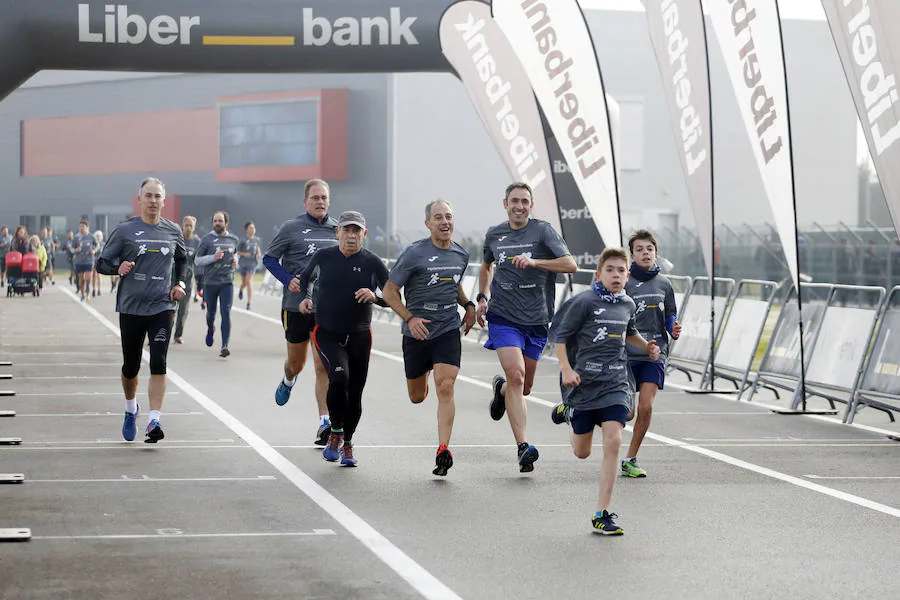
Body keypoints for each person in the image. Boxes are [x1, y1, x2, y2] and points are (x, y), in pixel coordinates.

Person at [549, 247, 661, 535]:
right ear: (599, 274)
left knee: (613, 441)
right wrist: (565, 369)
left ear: (627, 275)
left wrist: (645, 346)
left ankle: (602, 513)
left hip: (615, 384)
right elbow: (559, 336)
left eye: (621, 271)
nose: (616, 275)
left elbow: (630, 333)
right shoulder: (583, 302)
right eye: (610, 270)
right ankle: (571, 412)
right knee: (581, 452)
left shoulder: (627, 304)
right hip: (583, 384)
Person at [475, 182, 577, 472]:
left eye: (525, 202)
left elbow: (570, 265)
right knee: (518, 377)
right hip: (503, 316)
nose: (519, 206)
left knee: (524, 387)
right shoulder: (494, 234)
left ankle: (502, 388)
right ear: (504, 203)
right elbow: (485, 266)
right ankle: (523, 447)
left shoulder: (543, 231)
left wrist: (535, 262)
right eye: (514, 201)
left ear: (531, 206)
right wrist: (483, 297)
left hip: (536, 320)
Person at [383, 200, 476, 476]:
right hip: (416, 332)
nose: (445, 222)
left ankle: (443, 449)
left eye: (449, 216)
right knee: (417, 397)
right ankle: (422, 374)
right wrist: (409, 318)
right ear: (428, 224)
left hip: (447, 329)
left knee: (445, 386)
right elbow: (389, 292)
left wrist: (468, 305)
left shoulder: (461, 254)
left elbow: (454, 284)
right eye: (438, 217)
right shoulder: (413, 253)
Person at [96, 177, 187, 443]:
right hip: (132, 307)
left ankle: (154, 420)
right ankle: (130, 409)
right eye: (148, 196)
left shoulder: (173, 230)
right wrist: (117, 269)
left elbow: (182, 259)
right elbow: (102, 263)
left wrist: (179, 283)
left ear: (164, 200)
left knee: (159, 362)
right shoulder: (125, 230)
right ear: (140, 199)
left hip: (162, 305)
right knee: (131, 367)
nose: (153, 201)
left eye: (158, 196)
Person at [298, 210, 389, 467]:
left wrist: (375, 297)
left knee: (356, 394)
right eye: (346, 230)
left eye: (356, 230)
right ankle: (335, 431)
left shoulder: (373, 262)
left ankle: (347, 442)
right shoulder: (323, 257)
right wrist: (304, 298)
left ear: (364, 234)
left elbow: (393, 296)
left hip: (360, 335)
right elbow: (305, 278)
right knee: (339, 376)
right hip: (327, 332)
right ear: (337, 232)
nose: (351, 235)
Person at [263, 178, 338, 446]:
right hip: (295, 307)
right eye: (315, 198)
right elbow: (269, 259)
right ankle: (288, 379)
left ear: (329, 201)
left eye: (324, 198)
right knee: (297, 364)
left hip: (326, 310)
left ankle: (324, 423)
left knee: (323, 366)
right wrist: (287, 279)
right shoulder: (291, 228)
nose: (320, 202)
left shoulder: (338, 230)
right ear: (305, 201)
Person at [621, 229, 681, 478]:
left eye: (649, 249)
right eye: (640, 250)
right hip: (626, 354)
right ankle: (580, 412)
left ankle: (630, 459)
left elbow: (669, 315)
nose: (645, 253)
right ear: (631, 255)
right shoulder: (624, 282)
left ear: (656, 254)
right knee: (627, 412)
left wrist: (673, 328)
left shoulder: (664, 284)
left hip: (655, 354)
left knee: (645, 407)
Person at [195, 211, 239, 358]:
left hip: (227, 281)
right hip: (210, 282)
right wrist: (213, 258)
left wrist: (235, 262)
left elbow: (235, 255)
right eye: (215, 221)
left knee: (226, 312)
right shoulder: (207, 239)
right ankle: (210, 328)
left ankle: (225, 345)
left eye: (220, 221)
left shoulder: (233, 239)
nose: (217, 223)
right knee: (211, 314)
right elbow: (197, 260)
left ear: (226, 223)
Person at [173, 216, 201, 344]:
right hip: (173, 278)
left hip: (187, 280)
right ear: (182, 226)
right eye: (186, 225)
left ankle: (178, 335)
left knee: (183, 309)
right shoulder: (176, 239)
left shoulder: (197, 242)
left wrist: (198, 286)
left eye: (191, 225)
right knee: (169, 308)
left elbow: (198, 263)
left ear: (194, 227)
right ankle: (163, 333)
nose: (188, 227)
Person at [237, 221, 262, 310]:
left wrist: (259, 254)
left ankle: (249, 303)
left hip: (252, 263)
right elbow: (237, 251)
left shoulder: (257, 239)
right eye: (250, 228)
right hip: (243, 264)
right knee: (244, 282)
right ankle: (240, 289)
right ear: (246, 230)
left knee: (249, 282)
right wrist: (244, 254)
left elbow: (257, 248)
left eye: (253, 228)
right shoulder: (243, 240)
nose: (252, 230)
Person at [72, 221, 98, 301]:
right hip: (79, 261)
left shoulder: (91, 236)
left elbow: (97, 245)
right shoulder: (76, 237)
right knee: (81, 279)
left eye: (83, 226)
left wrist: (94, 251)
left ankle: (88, 290)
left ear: (87, 227)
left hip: (89, 260)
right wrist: (76, 250)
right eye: (80, 226)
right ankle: (83, 294)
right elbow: (71, 248)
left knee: (88, 278)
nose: (81, 228)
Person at [91, 230, 105, 298]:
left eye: (99, 236)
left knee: (99, 275)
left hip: (100, 261)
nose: (98, 237)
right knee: (94, 275)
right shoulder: (93, 244)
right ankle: (94, 289)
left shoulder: (103, 244)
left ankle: (99, 289)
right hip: (94, 260)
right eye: (97, 236)